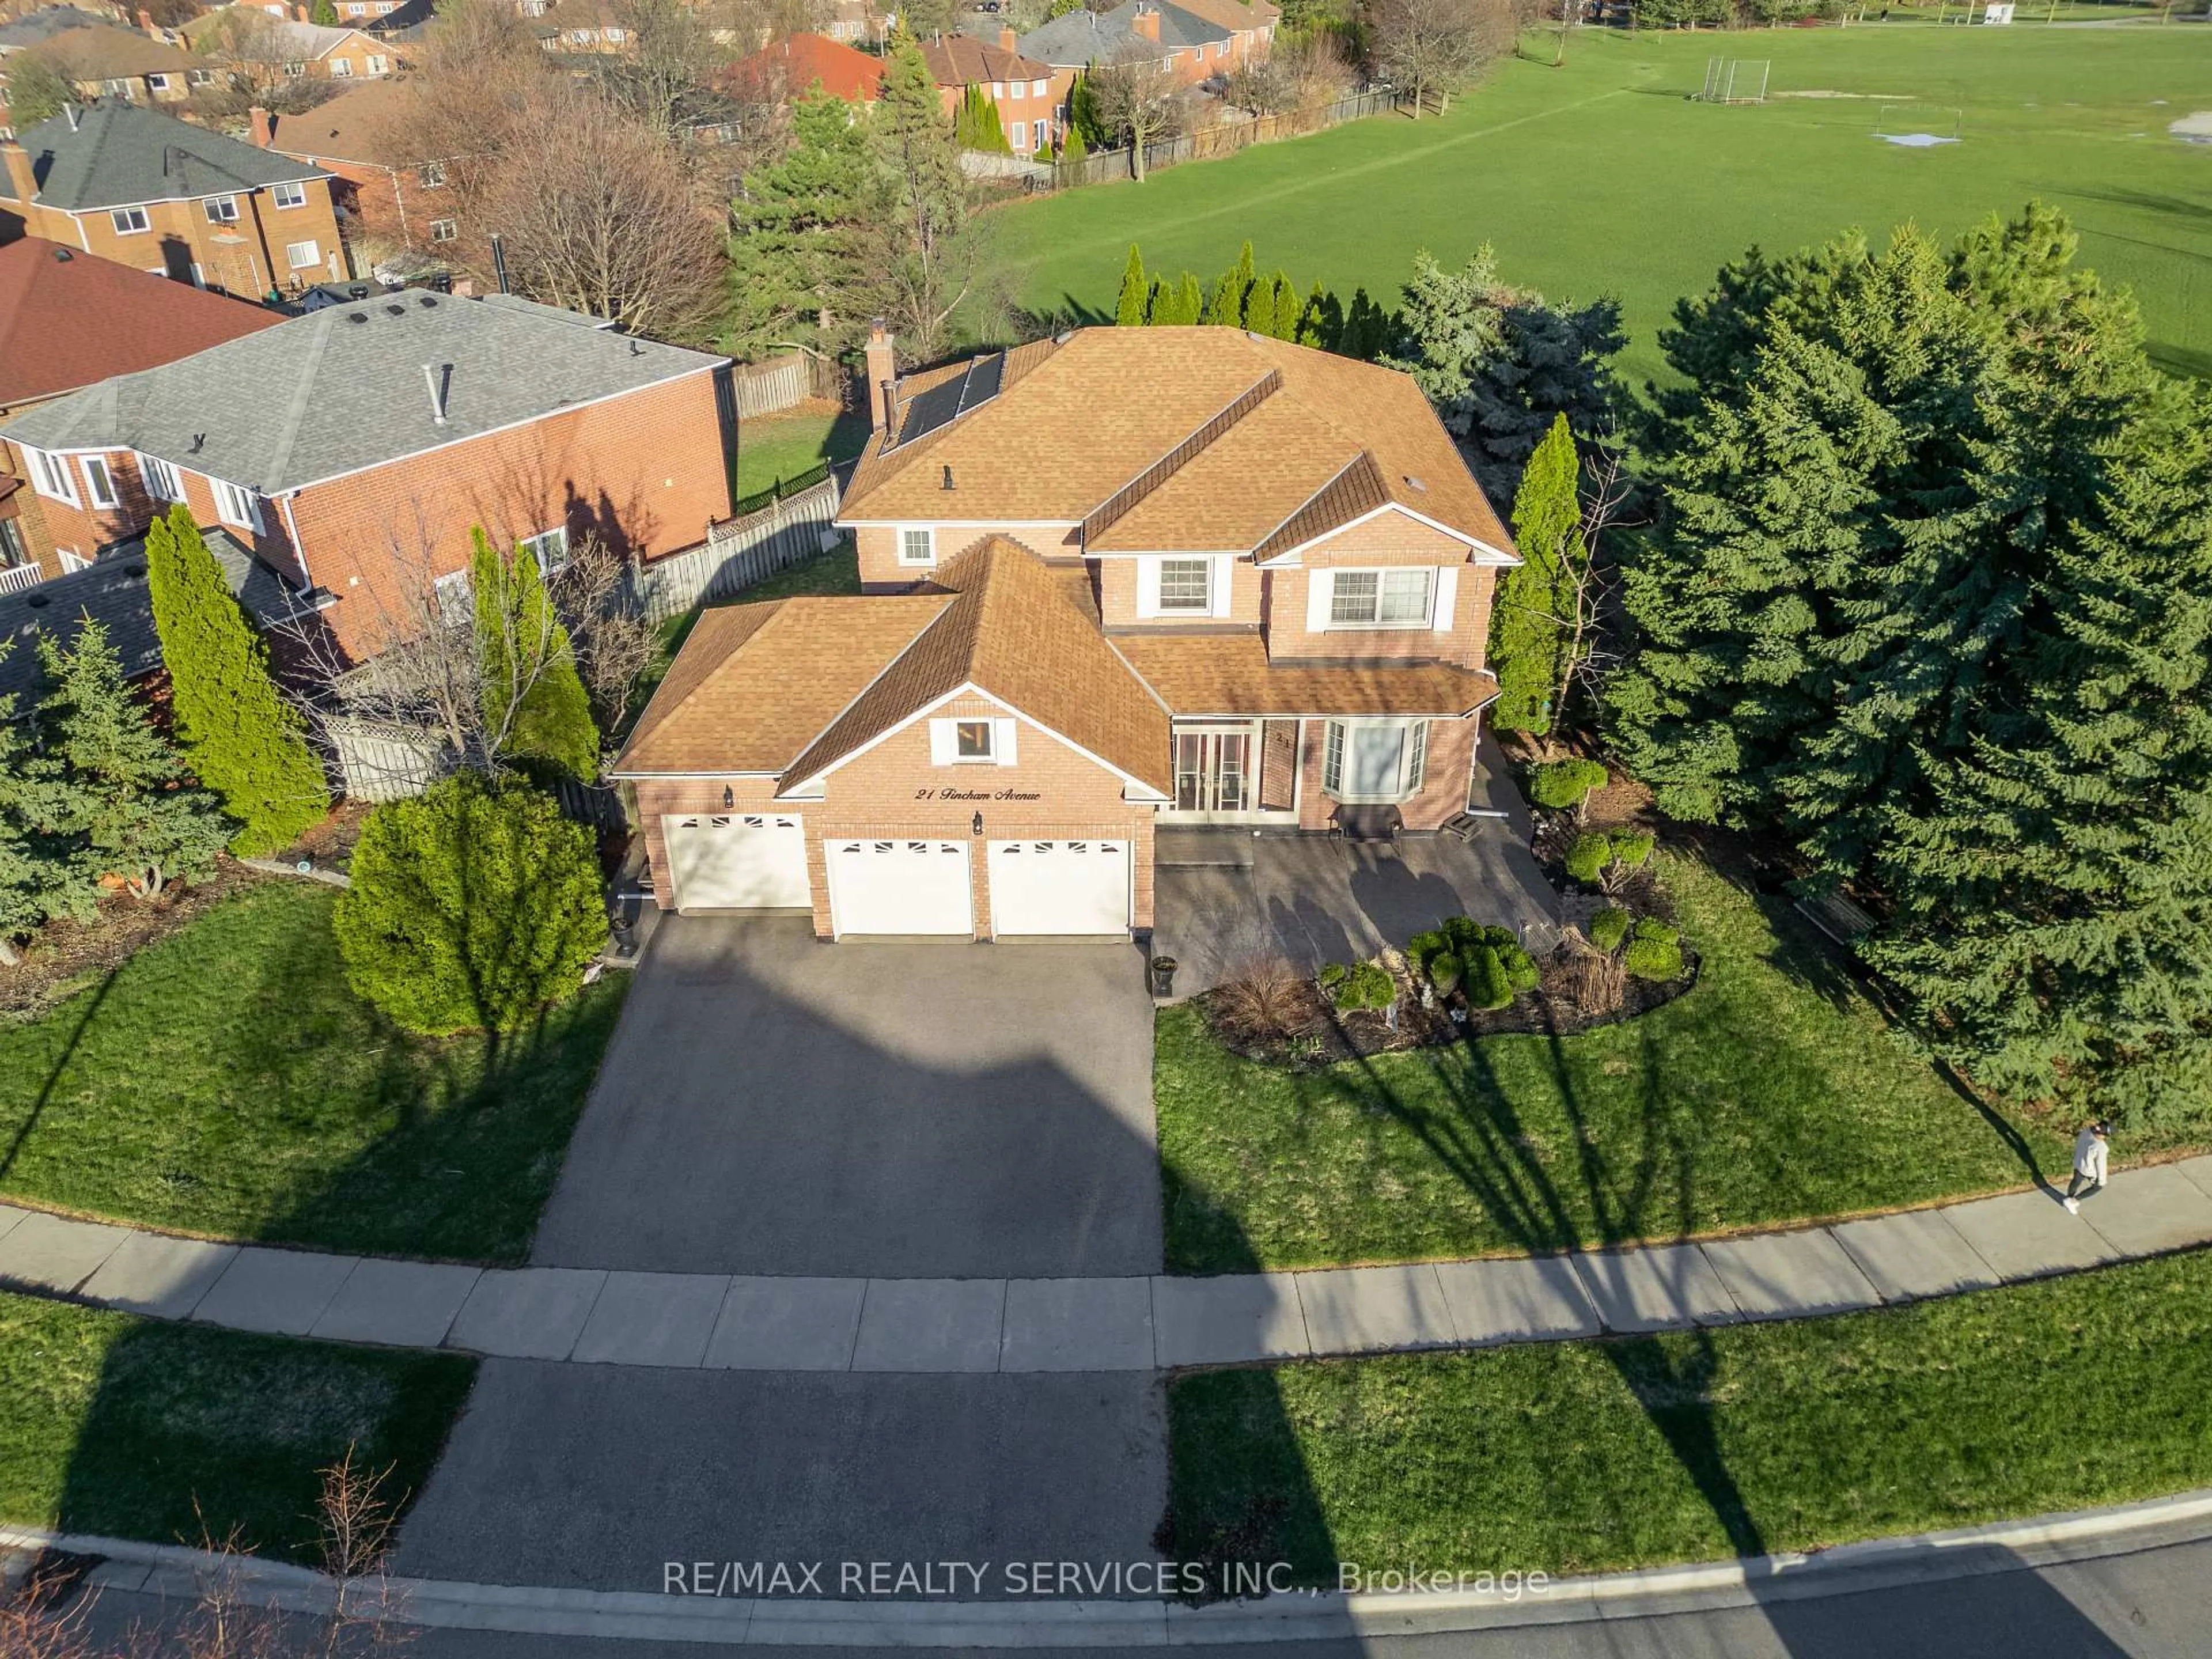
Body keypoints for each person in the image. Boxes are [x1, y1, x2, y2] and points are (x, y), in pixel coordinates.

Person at [2064, 1121, 2110, 1214]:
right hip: (2088, 1170)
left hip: (2078, 1162)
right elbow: (2101, 1165)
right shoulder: (2101, 1147)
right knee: (2097, 1187)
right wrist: (2102, 1180)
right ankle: (2073, 1201)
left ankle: (2069, 1197)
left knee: (2076, 1181)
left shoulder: (2086, 1131)